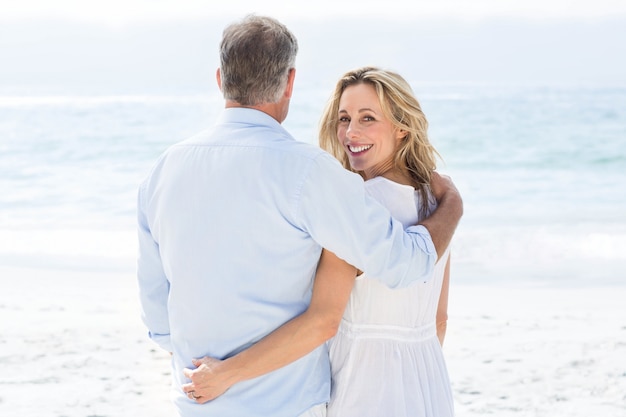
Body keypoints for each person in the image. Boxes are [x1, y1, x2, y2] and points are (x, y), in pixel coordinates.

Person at [137, 14, 462, 417]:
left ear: (220, 79)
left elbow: (158, 317)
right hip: (289, 404)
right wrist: (452, 204)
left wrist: (208, 366)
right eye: (346, 118)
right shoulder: (311, 173)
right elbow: (406, 267)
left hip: (199, 398)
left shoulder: (163, 170)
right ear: (289, 82)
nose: (350, 131)